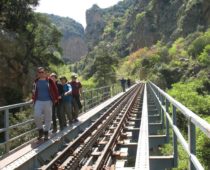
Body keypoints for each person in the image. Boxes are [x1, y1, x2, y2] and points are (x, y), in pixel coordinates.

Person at [32, 67, 59, 140]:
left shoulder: (49, 80)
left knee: (48, 117)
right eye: (39, 72)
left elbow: (55, 89)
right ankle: (40, 130)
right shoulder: (36, 81)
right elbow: (34, 91)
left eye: (42, 72)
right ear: (37, 73)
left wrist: (56, 98)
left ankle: (46, 132)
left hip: (48, 101)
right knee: (36, 115)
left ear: (45, 72)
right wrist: (32, 98)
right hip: (38, 101)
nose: (41, 73)